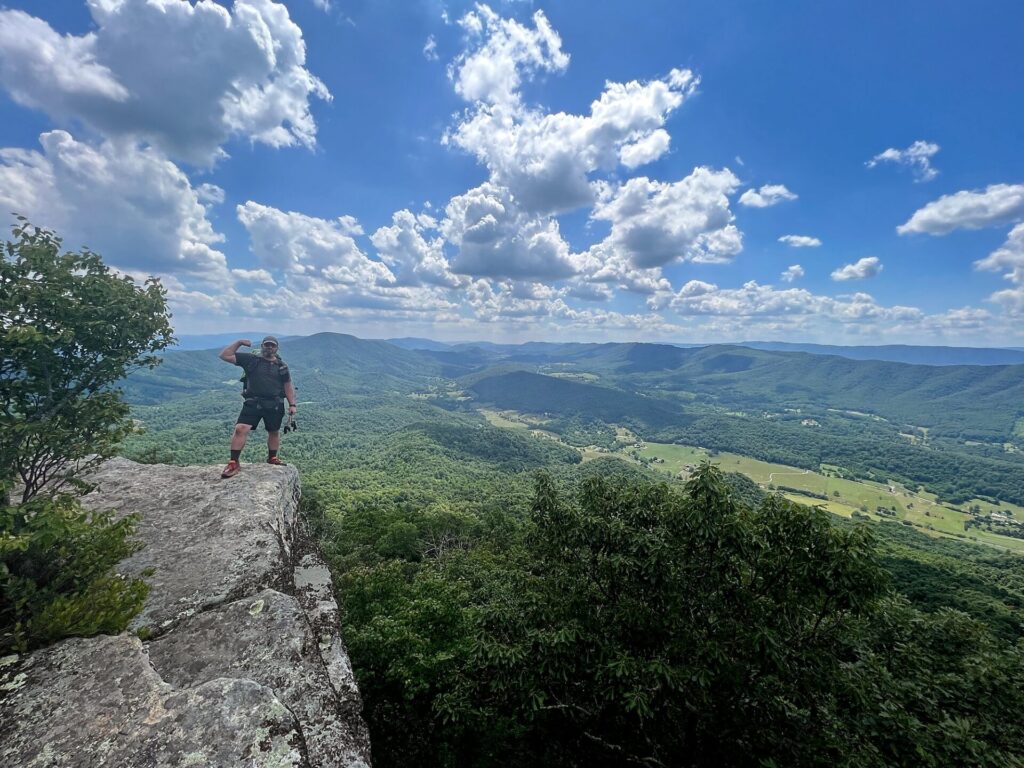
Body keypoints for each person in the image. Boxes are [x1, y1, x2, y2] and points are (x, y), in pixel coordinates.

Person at [218, 336, 297, 478]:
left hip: (275, 403)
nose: (269, 348)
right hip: (253, 401)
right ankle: (233, 462)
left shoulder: (282, 366)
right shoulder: (251, 360)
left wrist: (292, 404)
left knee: (274, 431)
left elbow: (288, 386)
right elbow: (224, 355)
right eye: (267, 345)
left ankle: (272, 458)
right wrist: (239, 342)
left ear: (277, 348)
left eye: (272, 346)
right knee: (241, 428)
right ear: (262, 346)